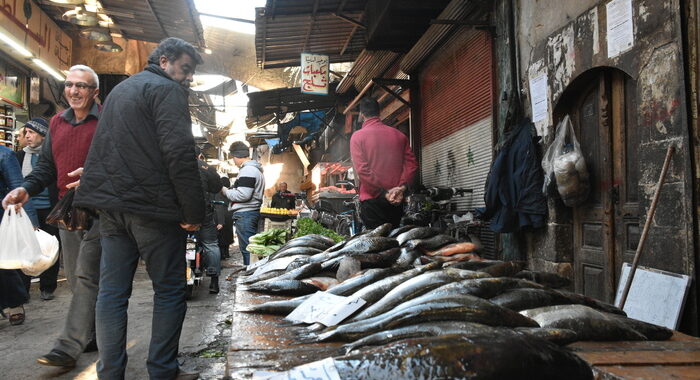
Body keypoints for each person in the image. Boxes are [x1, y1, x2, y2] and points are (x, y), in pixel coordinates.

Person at [72, 37, 205, 380]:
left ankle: (110, 372)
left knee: (112, 293)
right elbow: (179, 153)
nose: (187, 78)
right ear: (165, 61)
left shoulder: (121, 90)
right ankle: (162, 370)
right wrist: (193, 213)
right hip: (153, 209)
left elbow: (104, 147)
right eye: (185, 69)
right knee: (170, 290)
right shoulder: (167, 91)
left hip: (112, 209)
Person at [2, 64, 102, 368]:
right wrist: (25, 190)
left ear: (95, 92)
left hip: (104, 210)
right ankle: (92, 334)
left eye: (82, 86)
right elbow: (46, 168)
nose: (74, 91)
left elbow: (125, 161)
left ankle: (68, 346)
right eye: (70, 84)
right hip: (68, 212)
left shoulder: (110, 120)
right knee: (75, 276)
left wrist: (94, 176)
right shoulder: (57, 123)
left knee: (86, 275)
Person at [349, 97, 418, 229]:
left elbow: (362, 171)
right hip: (396, 200)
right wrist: (401, 188)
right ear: (379, 113)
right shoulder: (399, 135)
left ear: (362, 114)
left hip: (372, 200)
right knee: (394, 240)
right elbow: (412, 165)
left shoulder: (357, 137)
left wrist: (384, 192)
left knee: (376, 244)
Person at [15, 118, 60, 301]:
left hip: (50, 209)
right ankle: (22, 289)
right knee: (26, 249)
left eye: (31, 132)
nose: (27, 136)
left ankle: (47, 287)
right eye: (26, 133)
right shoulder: (18, 156)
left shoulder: (52, 157)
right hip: (26, 210)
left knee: (51, 248)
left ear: (43, 136)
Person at [0, 144, 38, 326]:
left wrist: (31, 221)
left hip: (2, 219)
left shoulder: (4, 154)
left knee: (4, 266)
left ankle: (15, 303)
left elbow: (17, 186)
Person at [223, 141, 264, 266]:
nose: (233, 162)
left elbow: (243, 195)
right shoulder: (254, 169)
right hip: (250, 213)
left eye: (233, 158)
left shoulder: (248, 170)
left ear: (236, 156)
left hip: (246, 214)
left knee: (248, 251)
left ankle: (249, 277)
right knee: (250, 250)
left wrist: (224, 190)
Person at [195, 150, 223, 294]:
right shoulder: (205, 167)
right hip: (202, 211)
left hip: (178, 212)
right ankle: (214, 281)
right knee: (211, 244)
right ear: (200, 155)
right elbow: (216, 187)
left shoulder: (172, 163)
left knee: (175, 243)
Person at [214, 177, 233, 260]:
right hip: (229, 215)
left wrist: (220, 221)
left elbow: (219, 206)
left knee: (221, 236)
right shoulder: (230, 192)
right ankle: (227, 253)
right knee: (228, 234)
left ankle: (222, 254)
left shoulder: (218, 193)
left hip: (221, 215)